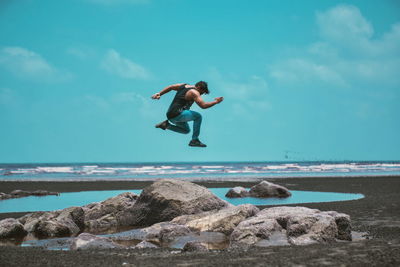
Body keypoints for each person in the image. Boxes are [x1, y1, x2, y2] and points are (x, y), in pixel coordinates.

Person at [151, 81, 223, 147]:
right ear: (198, 87)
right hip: (177, 114)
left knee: (186, 131)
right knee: (198, 117)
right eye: (201, 92)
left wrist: (159, 93)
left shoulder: (183, 86)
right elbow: (203, 106)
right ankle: (194, 140)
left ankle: (166, 125)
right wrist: (216, 102)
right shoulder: (194, 92)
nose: (200, 95)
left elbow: (171, 87)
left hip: (171, 115)